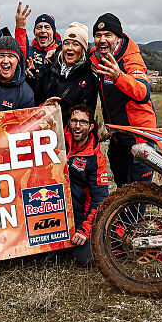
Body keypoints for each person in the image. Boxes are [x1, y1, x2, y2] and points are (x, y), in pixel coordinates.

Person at [89, 13, 157, 185]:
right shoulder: (96, 57)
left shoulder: (131, 59)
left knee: (137, 192)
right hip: (118, 136)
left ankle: (137, 213)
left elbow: (143, 93)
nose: (102, 40)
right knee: (121, 188)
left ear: (118, 38)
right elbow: (80, 51)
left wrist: (118, 76)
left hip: (140, 137)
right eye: (98, 35)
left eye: (108, 35)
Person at [65, 104, 109, 265]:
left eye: (83, 122)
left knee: (86, 260)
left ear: (91, 127)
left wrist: (84, 230)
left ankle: (106, 238)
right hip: (54, 213)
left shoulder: (96, 158)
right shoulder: (56, 140)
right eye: (74, 121)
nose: (77, 126)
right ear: (68, 123)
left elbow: (100, 199)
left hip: (80, 217)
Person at [33, 22, 98, 113]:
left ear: (83, 49)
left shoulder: (88, 78)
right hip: (46, 124)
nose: (69, 48)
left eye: (76, 44)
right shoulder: (50, 68)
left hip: (72, 126)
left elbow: (86, 114)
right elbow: (36, 99)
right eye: (66, 43)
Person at [25, 13, 62, 77]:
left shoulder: (63, 51)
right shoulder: (29, 52)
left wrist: (58, 52)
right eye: (39, 27)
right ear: (34, 32)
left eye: (47, 27)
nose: (42, 30)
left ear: (53, 32)